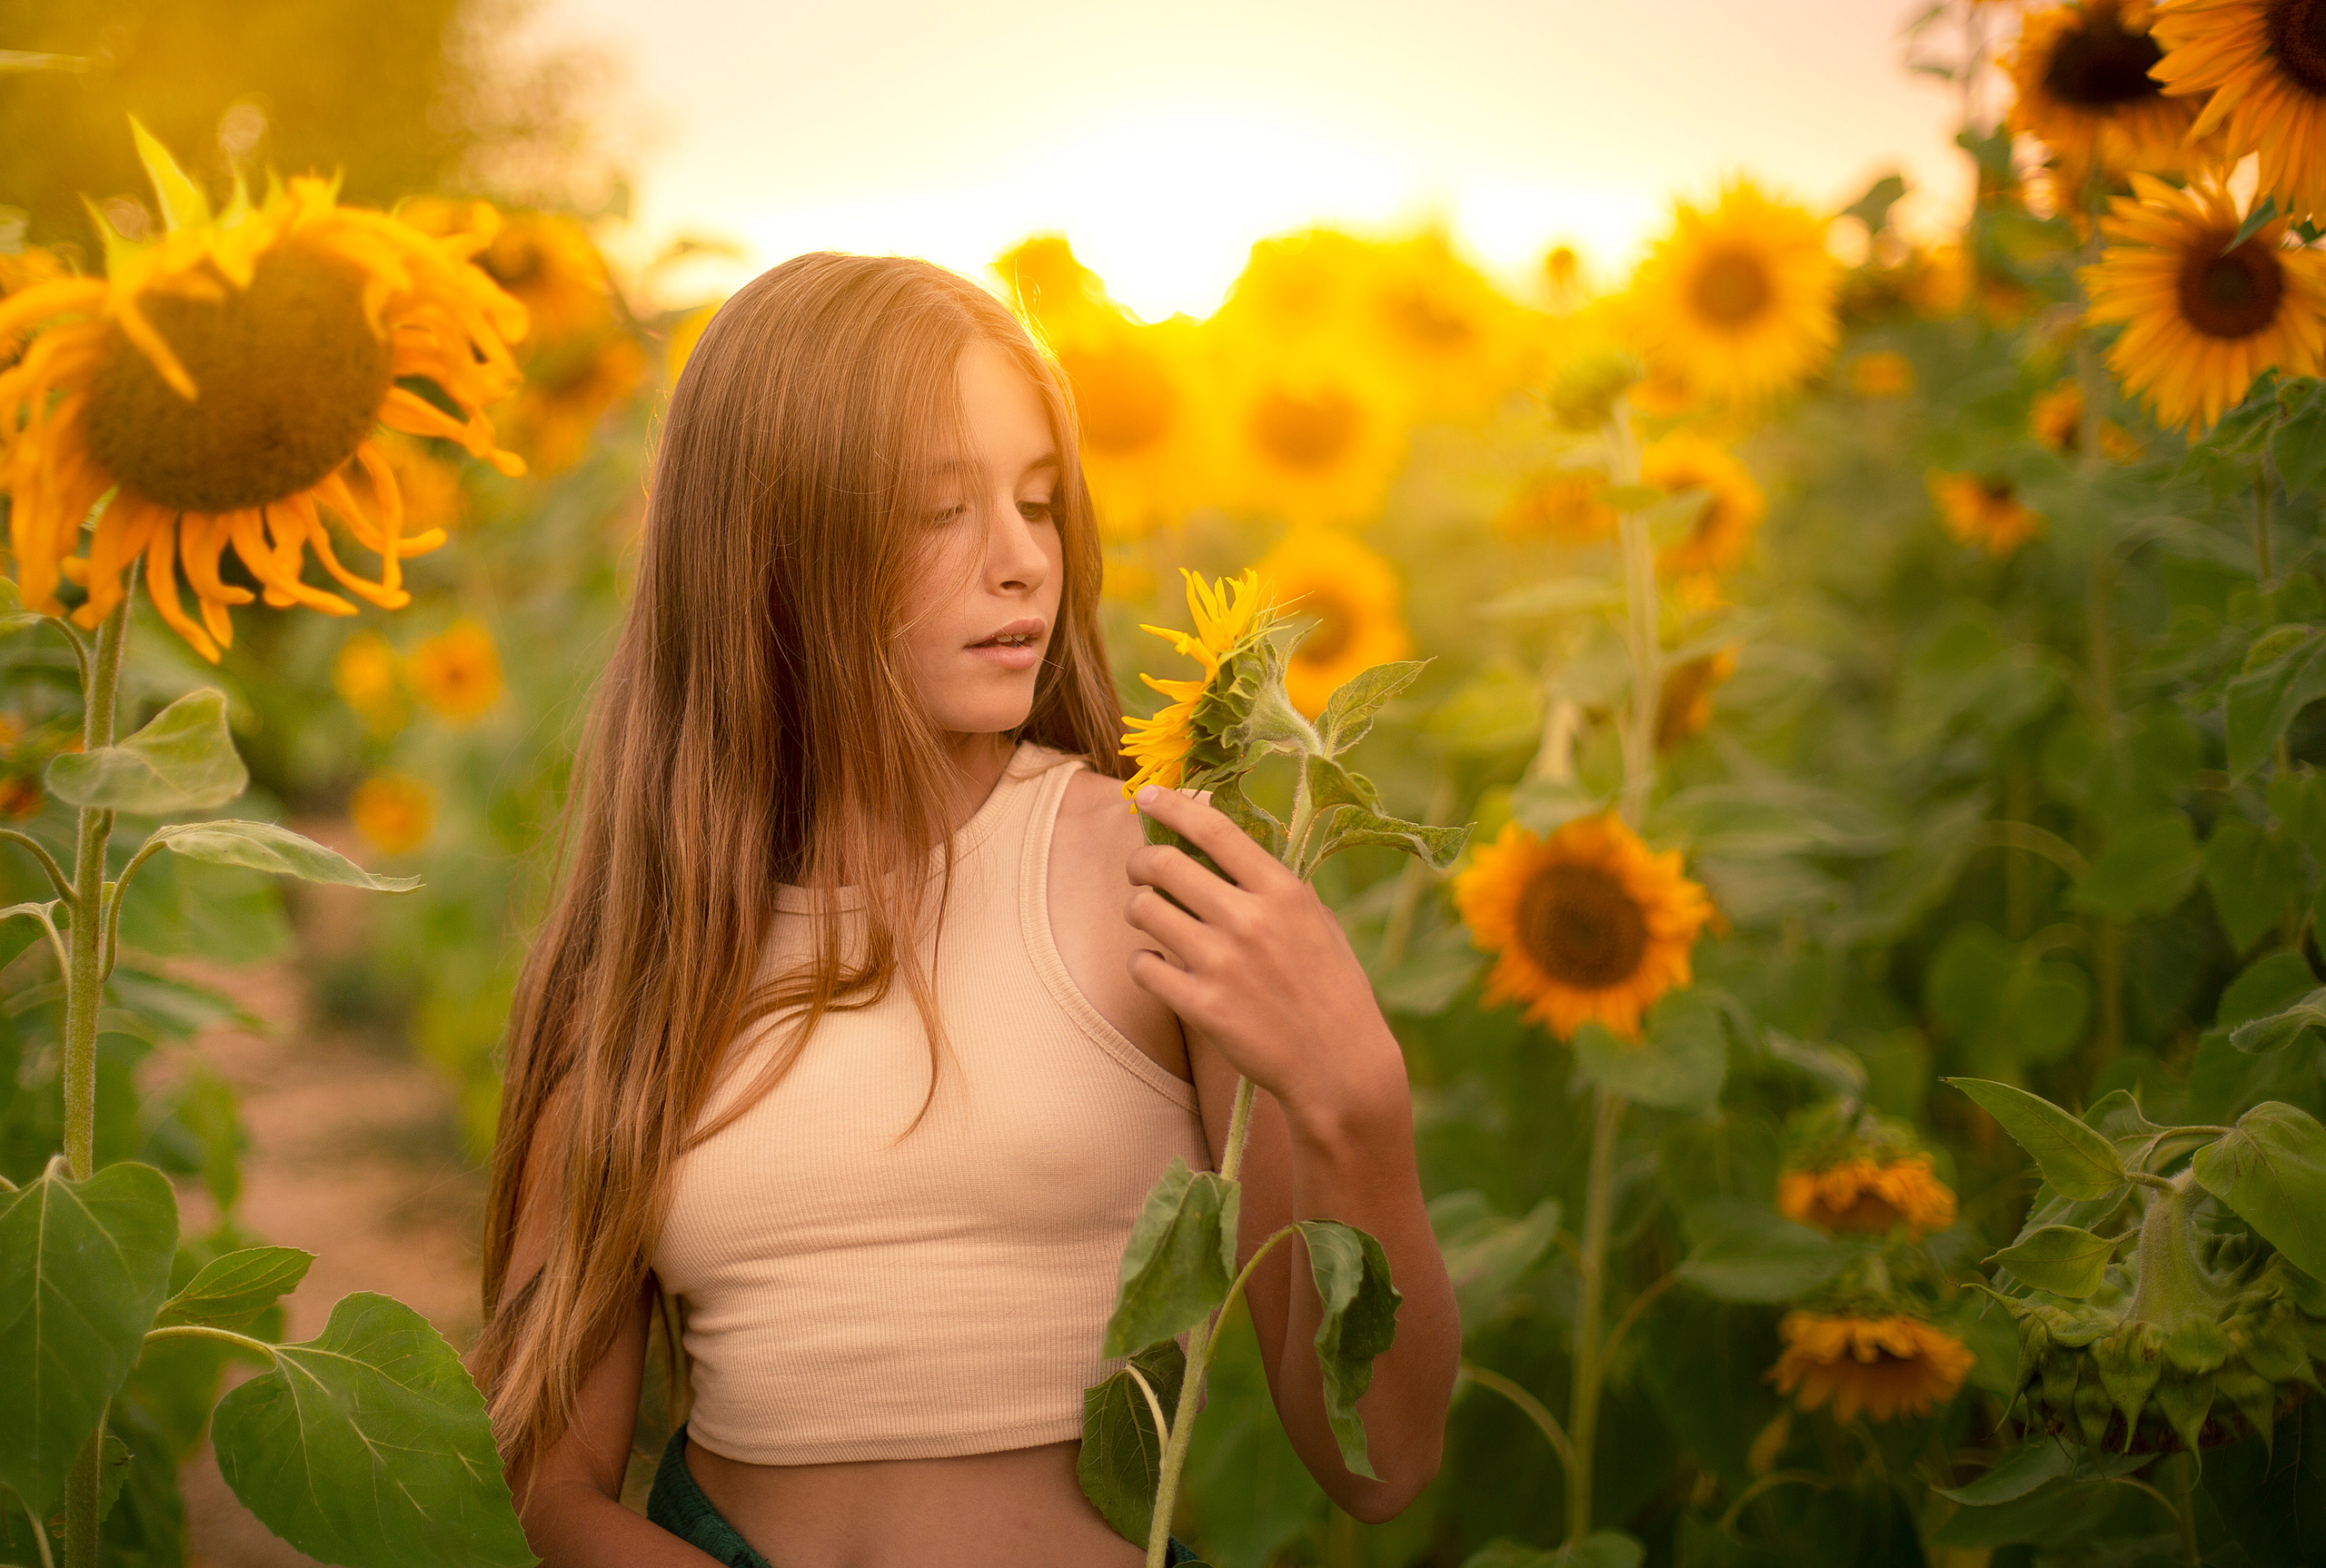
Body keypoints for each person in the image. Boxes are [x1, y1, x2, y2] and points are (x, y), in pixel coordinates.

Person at [468, 252, 1458, 1568]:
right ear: (769, 548)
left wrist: (1360, 1106)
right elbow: (543, 1476)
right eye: (941, 510)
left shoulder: (1149, 878)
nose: (1023, 560)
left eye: (1038, 503)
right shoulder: (656, 950)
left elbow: (1380, 1461)